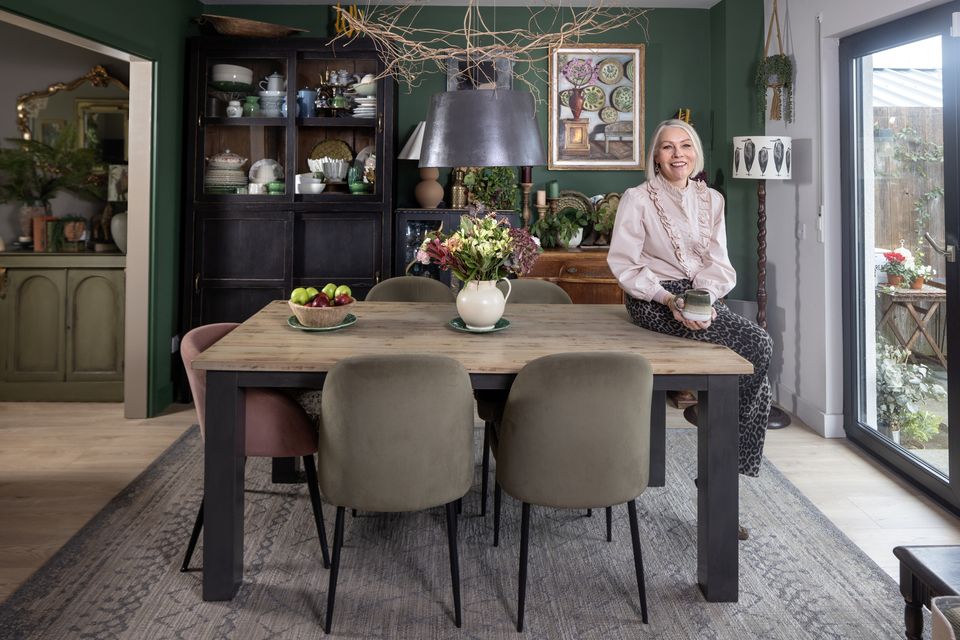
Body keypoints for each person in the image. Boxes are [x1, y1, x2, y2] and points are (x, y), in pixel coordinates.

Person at [607, 119, 773, 535]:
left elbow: (718, 263)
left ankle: (714, 447)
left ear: (695, 153)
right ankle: (717, 472)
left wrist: (705, 299)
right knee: (760, 346)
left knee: (759, 363)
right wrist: (669, 299)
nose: (677, 153)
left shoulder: (712, 199)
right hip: (652, 296)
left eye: (685, 145)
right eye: (667, 147)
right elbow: (625, 264)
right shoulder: (637, 198)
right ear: (656, 157)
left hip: (700, 293)